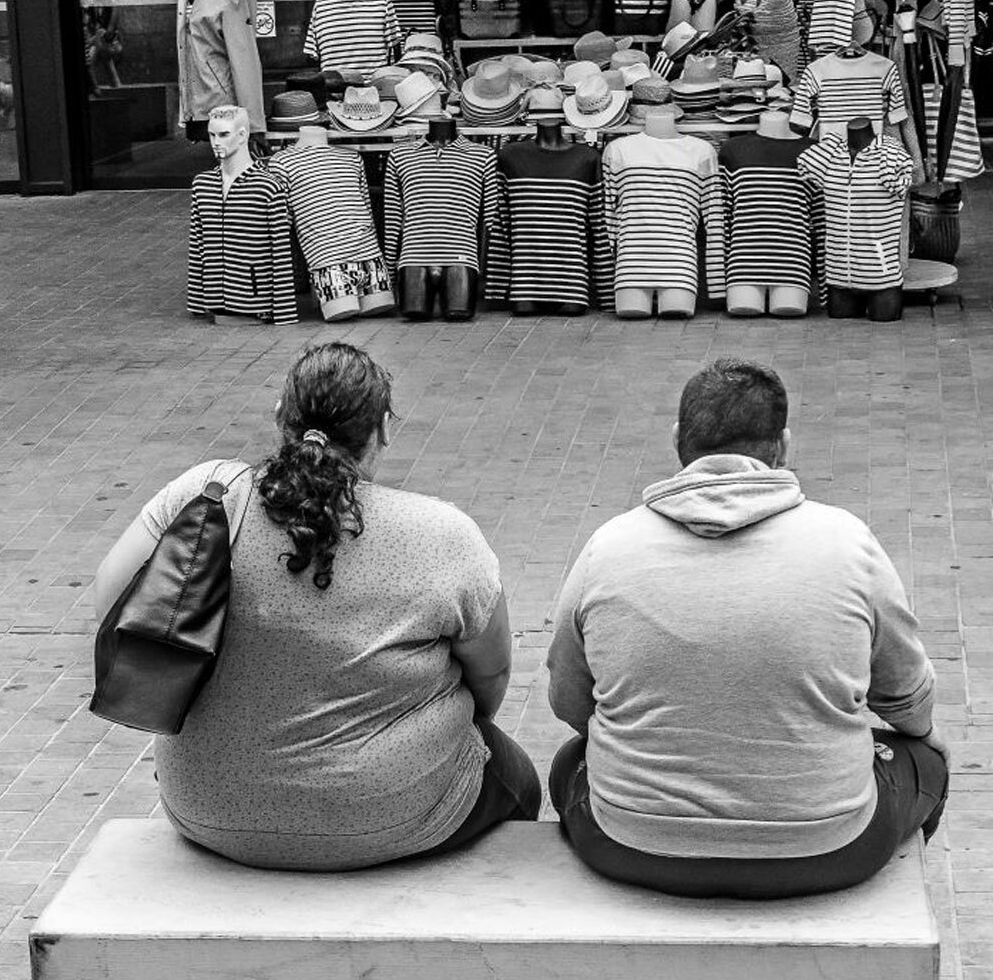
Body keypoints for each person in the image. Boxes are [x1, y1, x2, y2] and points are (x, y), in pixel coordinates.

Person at [94, 343, 540, 870]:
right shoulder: (444, 534)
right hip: (393, 813)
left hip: (205, 808)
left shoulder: (210, 493)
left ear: (279, 416)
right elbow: (492, 673)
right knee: (521, 782)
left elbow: (111, 600)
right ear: (382, 430)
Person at [547, 357, 948, 900]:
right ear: (782, 447)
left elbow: (569, 702)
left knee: (570, 763)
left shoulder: (607, 546)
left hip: (628, 844)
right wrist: (921, 733)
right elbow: (904, 697)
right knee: (926, 762)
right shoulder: (849, 542)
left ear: (677, 441)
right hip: (829, 851)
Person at [80, 0, 122, 90]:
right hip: (95, 34)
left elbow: (114, 8)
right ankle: (116, 87)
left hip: (103, 33)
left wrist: (110, 28)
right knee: (106, 62)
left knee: (89, 62)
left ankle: (95, 89)